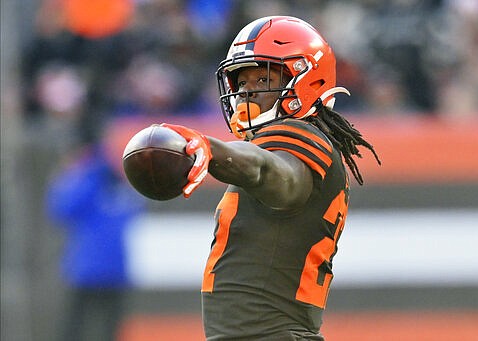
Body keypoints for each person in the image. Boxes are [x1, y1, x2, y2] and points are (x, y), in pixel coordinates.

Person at [156, 16, 380, 340]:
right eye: (241, 83)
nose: (247, 93)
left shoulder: (297, 134)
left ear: (307, 79)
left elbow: (271, 172)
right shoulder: (282, 142)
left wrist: (212, 149)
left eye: (261, 80)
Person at [46, 124, 146, 341]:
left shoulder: (88, 178)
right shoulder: (114, 177)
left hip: (89, 268)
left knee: (80, 328)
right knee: (100, 328)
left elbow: (61, 209)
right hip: (105, 268)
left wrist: (79, 173)